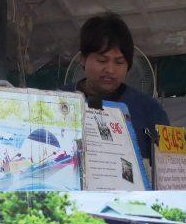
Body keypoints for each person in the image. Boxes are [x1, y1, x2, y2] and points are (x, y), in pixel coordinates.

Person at [72, 13, 169, 160]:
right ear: (83, 59)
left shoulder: (150, 110)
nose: (110, 70)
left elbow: (168, 166)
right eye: (102, 60)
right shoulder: (56, 102)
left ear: (129, 65)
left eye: (119, 62)